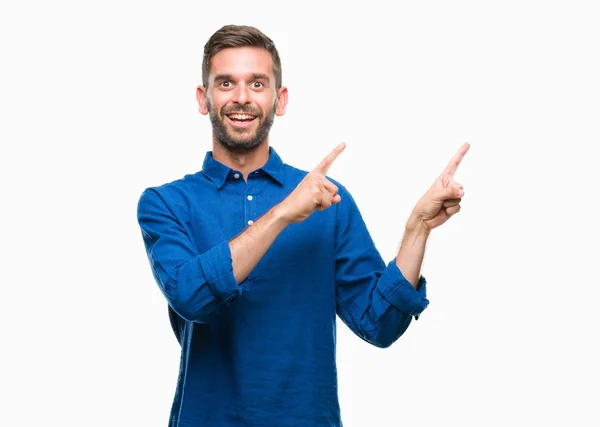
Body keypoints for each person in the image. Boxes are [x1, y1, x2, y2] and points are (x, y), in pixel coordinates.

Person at [137, 24, 469, 427]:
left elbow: (378, 324)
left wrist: (418, 228)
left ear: (280, 100)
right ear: (203, 98)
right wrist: (281, 214)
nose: (242, 97)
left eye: (257, 84)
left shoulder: (326, 200)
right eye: (226, 83)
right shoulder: (165, 203)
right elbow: (190, 298)